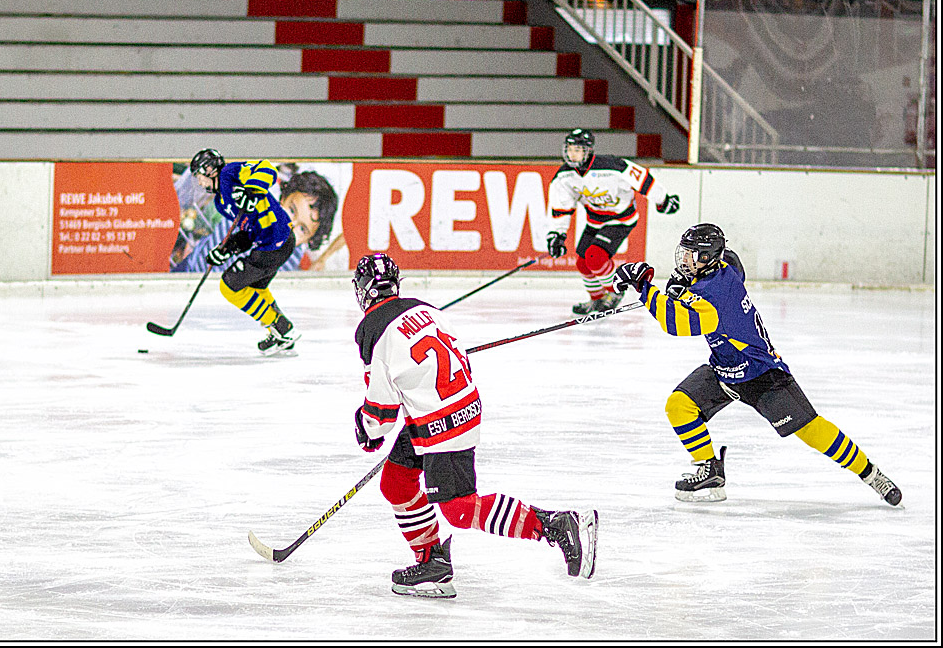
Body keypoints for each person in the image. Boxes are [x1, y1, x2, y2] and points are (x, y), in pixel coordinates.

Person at [351, 253, 599, 599]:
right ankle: (432, 561)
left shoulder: (371, 329)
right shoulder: (426, 308)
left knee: (460, 508)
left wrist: (366, 429)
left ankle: (555, 524)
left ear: (363, 291)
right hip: (456, 408)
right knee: (396, 482)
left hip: (439, 422)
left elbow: (381, 417)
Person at [610, 224, 903, 506]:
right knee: (679, 405)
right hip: (725, 368)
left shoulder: (713, 297)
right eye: (683, 253)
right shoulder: (724, 268)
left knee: (811, 430)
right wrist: (683, 287)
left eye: (691, 255)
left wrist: (644, 288)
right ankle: (710, 471)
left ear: (708, 257)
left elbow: (674, 322)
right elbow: (735, 265)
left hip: (761, 375)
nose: (684, 260)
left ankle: (871, 474)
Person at [545, 128, 680, 315]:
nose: (572, 154)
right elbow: (561, 208)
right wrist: (557, 234)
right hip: (595, 221)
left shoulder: (612, 166)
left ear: (588, 150)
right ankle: (597, 299)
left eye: (577, 150)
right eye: (569, 149)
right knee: (583, 262)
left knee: (595, 257)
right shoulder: (564, 177)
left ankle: (615, 291)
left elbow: (642, 179)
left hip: (621, 220)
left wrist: (663, 199)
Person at [189, 148, 299, 355]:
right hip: (269, 244)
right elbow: (248, 233)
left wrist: (251, 190)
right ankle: (281, 332)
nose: (200, 183)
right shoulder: (220, 203)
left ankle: (281, 327)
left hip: (276, 239)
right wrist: (226, 249)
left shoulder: (229, 173)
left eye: (199, 177)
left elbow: (266, 168)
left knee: (229, 285)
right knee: (256, 288)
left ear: (210, 170)